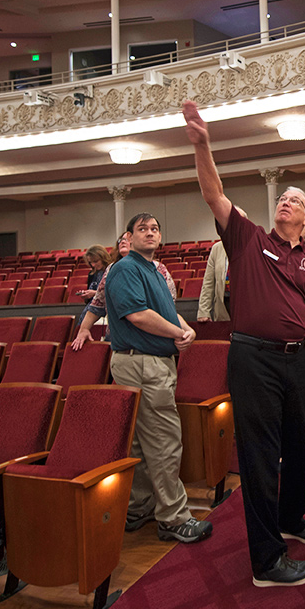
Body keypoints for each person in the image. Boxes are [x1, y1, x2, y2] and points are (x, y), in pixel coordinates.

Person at [184, 99, 305, 588]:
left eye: (295, 200)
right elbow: (213, 194)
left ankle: (291, 519)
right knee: (258, 455)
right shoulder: (250, 239)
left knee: (303, 446)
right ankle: (267, 562)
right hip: (253, 358)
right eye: (282, 198)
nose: (285, 202)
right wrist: (204, 146)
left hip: (299, 362)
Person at [103, 212, 212, 544]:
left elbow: (164, 310)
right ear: (129, 237)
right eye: (142, 229)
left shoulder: (151, 270)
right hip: (143, 363)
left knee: (139, 442)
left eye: (154, 229)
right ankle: (174, 518)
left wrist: (185, 327)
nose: (150, 233)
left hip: (147, 362)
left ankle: (140, 507)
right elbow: (137, 315)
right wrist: (178, 331)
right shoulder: (125, 269)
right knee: (164, 441)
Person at [197, 209, 246, 323]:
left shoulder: (255, 245)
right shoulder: (217, 248)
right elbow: (208, 283)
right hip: (224, 306)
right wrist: (204, 311)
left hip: (248, 306)